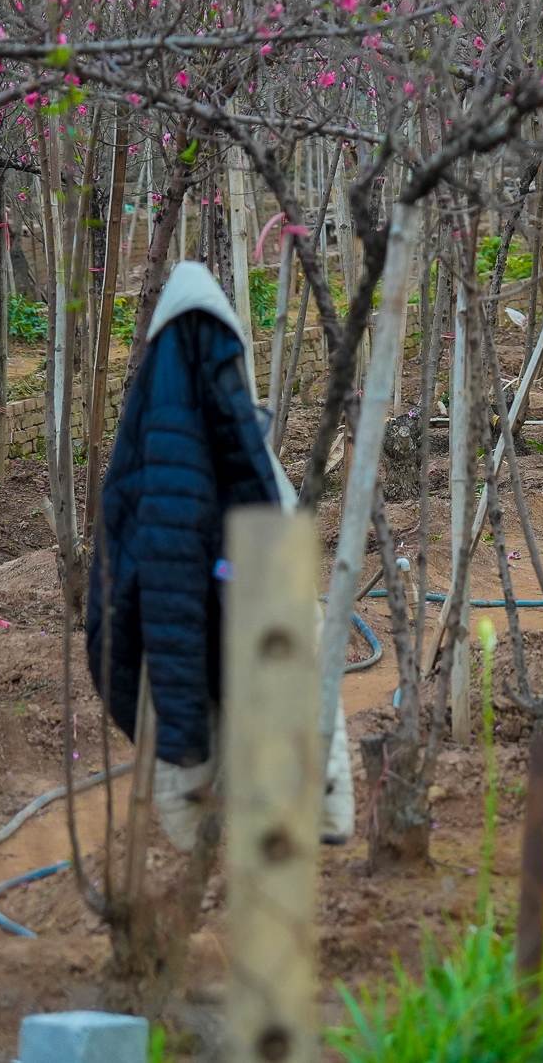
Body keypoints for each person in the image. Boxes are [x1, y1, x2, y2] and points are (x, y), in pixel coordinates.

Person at [87, 258, 351, 849]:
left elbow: (148, 563)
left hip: (214, 587)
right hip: (235, 580)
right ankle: (312, 805)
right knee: (291, 653)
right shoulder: (217, 404)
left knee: (197, 674)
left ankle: (202, 828)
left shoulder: (153, 425)